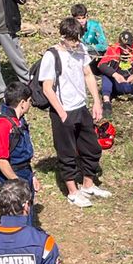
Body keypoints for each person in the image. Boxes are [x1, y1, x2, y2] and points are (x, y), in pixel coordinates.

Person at [39, 18, 111, 210]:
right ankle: (72, 192)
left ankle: (88, 184)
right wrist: (61, 113)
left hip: (81, 108)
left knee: (93, 148)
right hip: (63, 111)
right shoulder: (51, 55)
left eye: (78, 38)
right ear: (63, 37)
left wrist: (96, 102)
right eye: (73, 40)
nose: (76, 43)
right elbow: (47, 88)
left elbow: (88, 74)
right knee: (67, 153)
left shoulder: (81, 50)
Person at [0, 80, 36, 190]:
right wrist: (18, 183)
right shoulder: (2, 125)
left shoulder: (19, 121)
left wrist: (32, 177)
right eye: (29, 101)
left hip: (25, 172)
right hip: (11, 180)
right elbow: (1, 160)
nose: (31, 104)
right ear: (22, 103)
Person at [97, 31, 133, 119]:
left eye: (129, 47)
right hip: (118, 83)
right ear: (119, 44)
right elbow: (101, 65)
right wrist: (115, 74)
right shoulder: (113, 49)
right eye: (123, 47)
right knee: (106, 73)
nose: (126, 50)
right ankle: (106, 102)